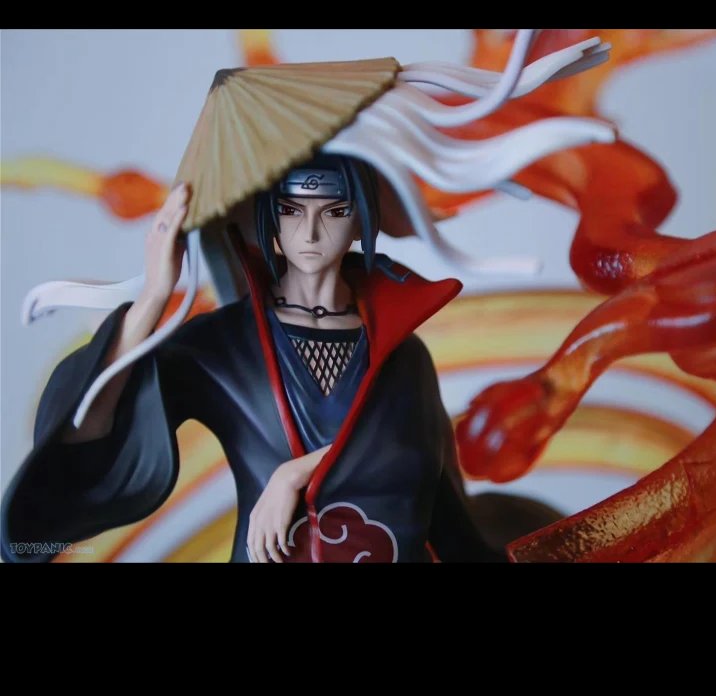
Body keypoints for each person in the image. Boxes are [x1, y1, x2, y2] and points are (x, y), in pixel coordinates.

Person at [1, 152, 510, 563]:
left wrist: (293, 474)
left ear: (360, 219)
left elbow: (427, 487)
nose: (311, 232)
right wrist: (154, 295)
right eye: (292, 210)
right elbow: (90, 429)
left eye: (334, 211)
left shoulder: (402, 350)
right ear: (270, 219)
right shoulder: (225, 343)